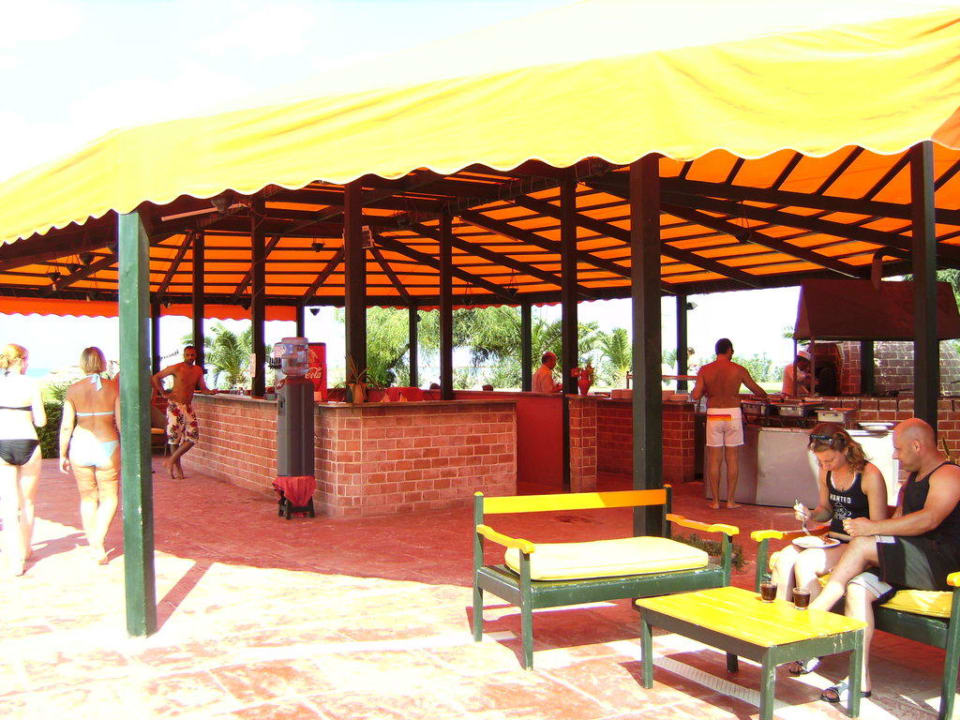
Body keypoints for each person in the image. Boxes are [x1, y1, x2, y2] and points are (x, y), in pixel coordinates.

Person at [807, 418, 960, 704]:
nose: (895, 455)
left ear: (917, 446)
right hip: (911, 559)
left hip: (941, 566)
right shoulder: (914, 478)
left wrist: (872, 529)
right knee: (857, 588)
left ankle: (813, 616)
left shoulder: (949, 474)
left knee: (862, 544)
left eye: (899, 449)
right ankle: (859, 679)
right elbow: (901, 520)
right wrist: (870, 546)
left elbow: (929, 519)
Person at [771, 423, 888, 675]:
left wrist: (859, 529)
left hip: (856, 545)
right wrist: (809, 514)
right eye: (821, 461)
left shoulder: (869, 475)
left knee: (806, 563)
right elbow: (825, 510)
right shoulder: (826, 473)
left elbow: (879, 526)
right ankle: (779, 632)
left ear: (845, 449)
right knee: (784, 559)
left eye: (830, 460)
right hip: (831, 540)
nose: (826, 465)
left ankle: (815, 642)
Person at [59, 347, 121, 564]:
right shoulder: (113, 387)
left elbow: (67, 426)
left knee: (87, 498)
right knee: (109, 496)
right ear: (102, 363)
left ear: (83, 363)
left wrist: (62, 453)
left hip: (81, 444)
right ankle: (98, 541)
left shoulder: (73, 389)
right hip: (107, 443)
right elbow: (121, 422)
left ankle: (94, 545)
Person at [691, 338, 768, 509]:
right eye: (732, 351)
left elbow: (695, 395)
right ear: (729, 350)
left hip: (714, 415)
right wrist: (767, 396)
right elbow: (756, 389)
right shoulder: (738, 369)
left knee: (714, 460)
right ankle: (731, 501)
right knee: (732, 458)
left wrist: (705, 390)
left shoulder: (705, 370)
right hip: (732, 414)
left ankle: (715, 501)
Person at [0, 344, 46, 576]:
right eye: (27, 359)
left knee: (8, 505)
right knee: (27, 502)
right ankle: (26, 549)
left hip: (2, 443)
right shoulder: (31, 384)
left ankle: (16, 559)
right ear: (19, 360)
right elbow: (41, 421)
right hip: (28, 442)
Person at [151, 345, 214, 479]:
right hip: (175, 406)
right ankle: (177, 468)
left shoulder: (198, 370)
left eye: (192, 355)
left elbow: (203, 388)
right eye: (188, 355)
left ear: (195, 356)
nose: (190, 357)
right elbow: (156, 377)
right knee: (174, 438)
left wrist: (210, 392)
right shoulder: (176, 367)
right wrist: (163, 392)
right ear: (184, 355)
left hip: (188, 407)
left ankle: (171, 460)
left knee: (193, 436)